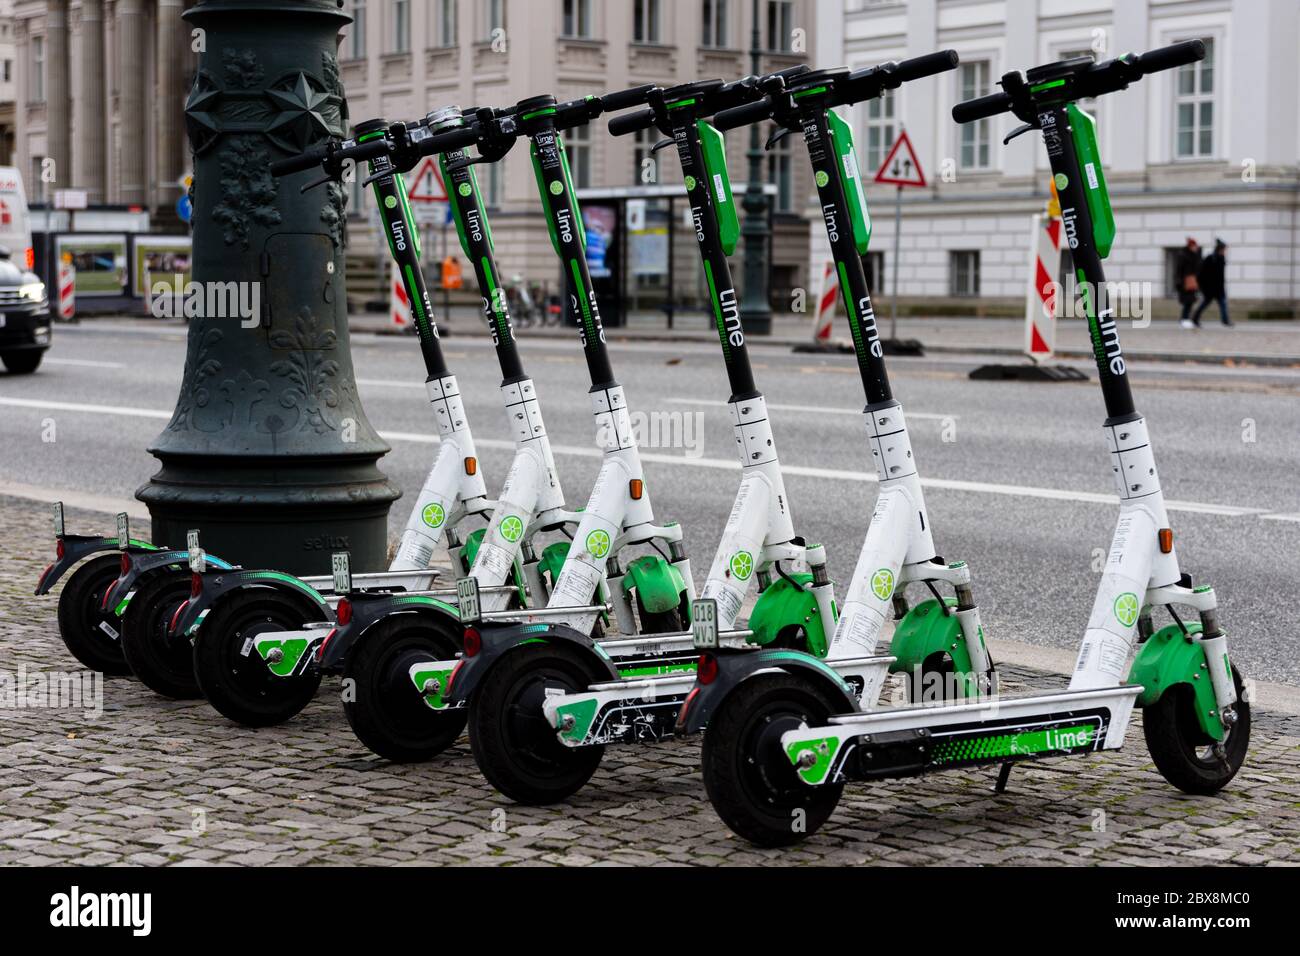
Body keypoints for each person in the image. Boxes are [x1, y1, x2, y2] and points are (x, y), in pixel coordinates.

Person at [1191, 239, 1232, 327]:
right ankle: (1195, 318)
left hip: (1219, 288)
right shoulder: (1210, 258)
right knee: (1205, 304)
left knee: (1223, 304)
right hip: (1210, 288)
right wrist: (1203, 287)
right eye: (1224, 249)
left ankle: (1225, 320)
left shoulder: (1221, 258)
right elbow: (1201, 274)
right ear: (1220, 249)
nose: (1225, 251)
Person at [1175, 237, 1201, 328]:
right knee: (1187, 302)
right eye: (1194, 246)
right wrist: (1179, 282)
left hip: (1192, 281)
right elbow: (1179, 270)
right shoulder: (1184, 255)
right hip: (1185, 282)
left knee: (1190, 302)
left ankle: (1186, 319)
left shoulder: (1194, 255)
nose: (1196, 247)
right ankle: (1184, 319)